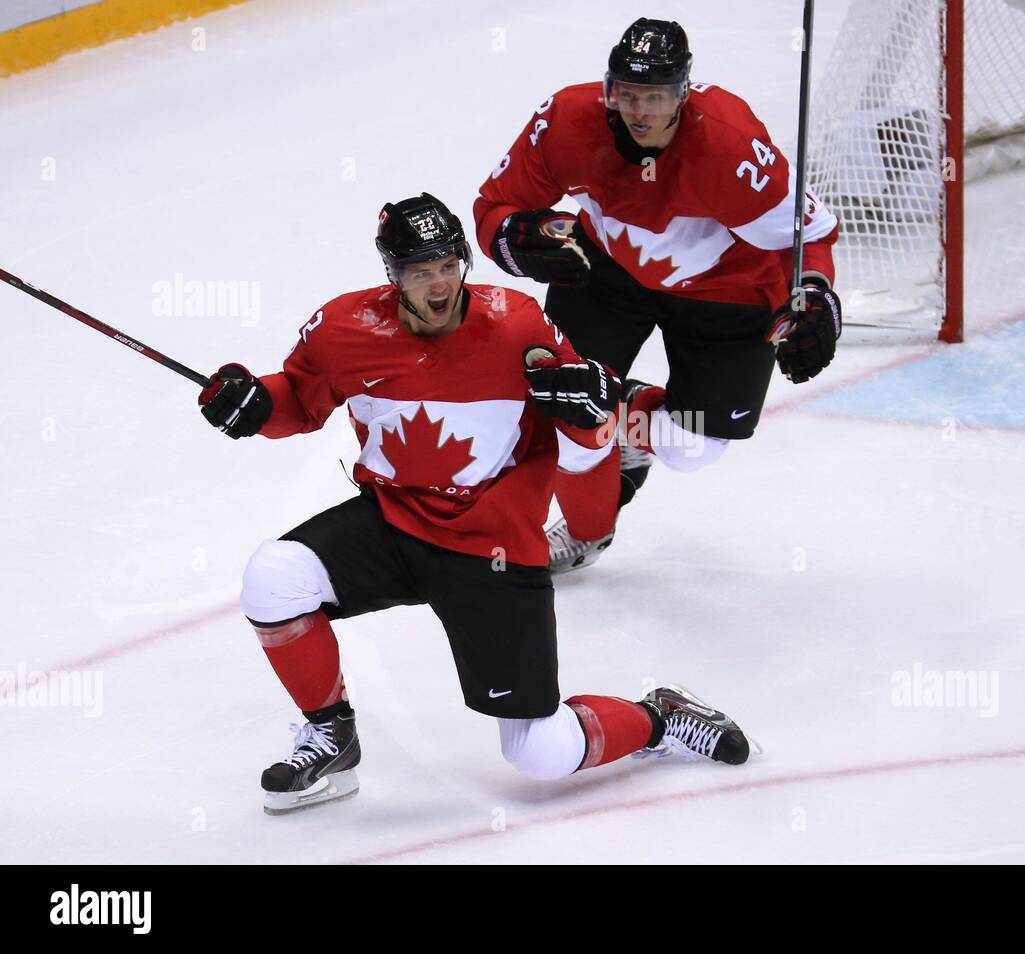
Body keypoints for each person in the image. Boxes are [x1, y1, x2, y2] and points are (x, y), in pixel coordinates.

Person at [198, 193, 751, 814]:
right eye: (417, 271)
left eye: (446, 265)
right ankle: (331, 737)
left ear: (464, 260)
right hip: (393, 521)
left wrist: (602, 400)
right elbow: (297, 399)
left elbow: (591, 404)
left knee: (538, 752)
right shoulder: (344, 330)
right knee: (273, 578)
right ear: (392, 275)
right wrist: (251, 404)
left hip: (494, 545)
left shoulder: (515, 324)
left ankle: (659, 717)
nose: (437, 284)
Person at [475, 17, 842, 573]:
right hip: (608, 274)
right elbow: (494, 207)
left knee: (689, 450)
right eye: (627, 93)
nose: (639, 110)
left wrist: (816, 299)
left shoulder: (730, 147)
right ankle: (586, 530)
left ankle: (630, 423)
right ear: (609, 89)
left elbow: (809, 235)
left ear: (682, 95)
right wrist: (518, 239)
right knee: (561, 405)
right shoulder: (567, 122)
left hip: (727, 295)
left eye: (656, 96)